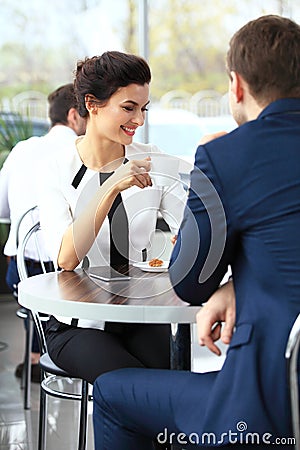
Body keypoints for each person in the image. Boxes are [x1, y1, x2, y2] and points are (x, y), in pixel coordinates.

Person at [92, 15, 300, 450]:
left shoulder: (229, 155)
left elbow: (189, 283)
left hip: (269, 408)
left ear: (237, 86)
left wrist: (221, 283)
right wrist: (239, 286)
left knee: (112, 394)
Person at [38, 51, 187, 385]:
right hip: (78, 324)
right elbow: (66, 257)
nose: (139, 120)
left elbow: (191, 222)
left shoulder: (153, 161)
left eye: (143, 109)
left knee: (174, 379)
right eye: (129, 108)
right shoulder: (55, 169)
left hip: (140, 314)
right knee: (134, 387)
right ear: (92, 104)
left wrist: (190, 235)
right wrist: (112, 186)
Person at [0, 83, 86, 382]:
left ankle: (37, 356)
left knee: (33, 298)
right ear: (75, 116)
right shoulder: (80, 153)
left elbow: (1, 209)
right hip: (68, 277)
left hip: (22, 275)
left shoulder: (22, 149)